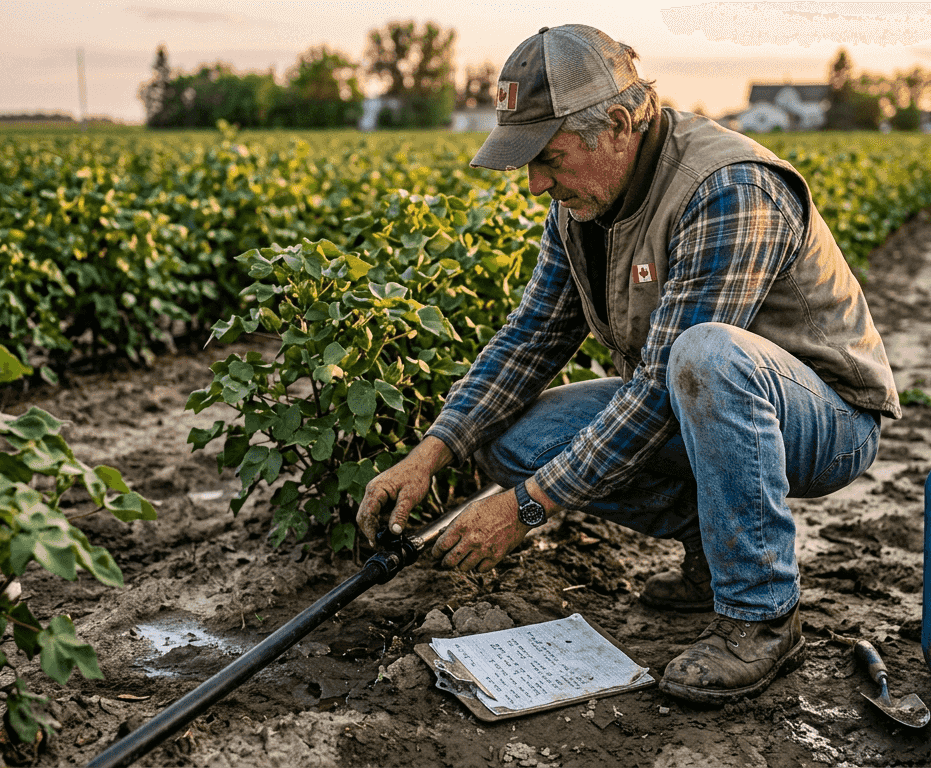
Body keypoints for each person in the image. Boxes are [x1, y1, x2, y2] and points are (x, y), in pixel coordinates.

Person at [355, 24, 900, 704]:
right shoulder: (584, 206)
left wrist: (524, 509)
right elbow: (530, 338)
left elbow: (660, 390)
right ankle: (715, 552)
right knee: (506, 439)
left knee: (706, 352)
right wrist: (432, 451)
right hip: (702, 400)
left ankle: (762, 615)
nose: (534, 185)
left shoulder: (727, 187)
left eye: (548, 158)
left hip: (826, 418)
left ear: (617, 122)